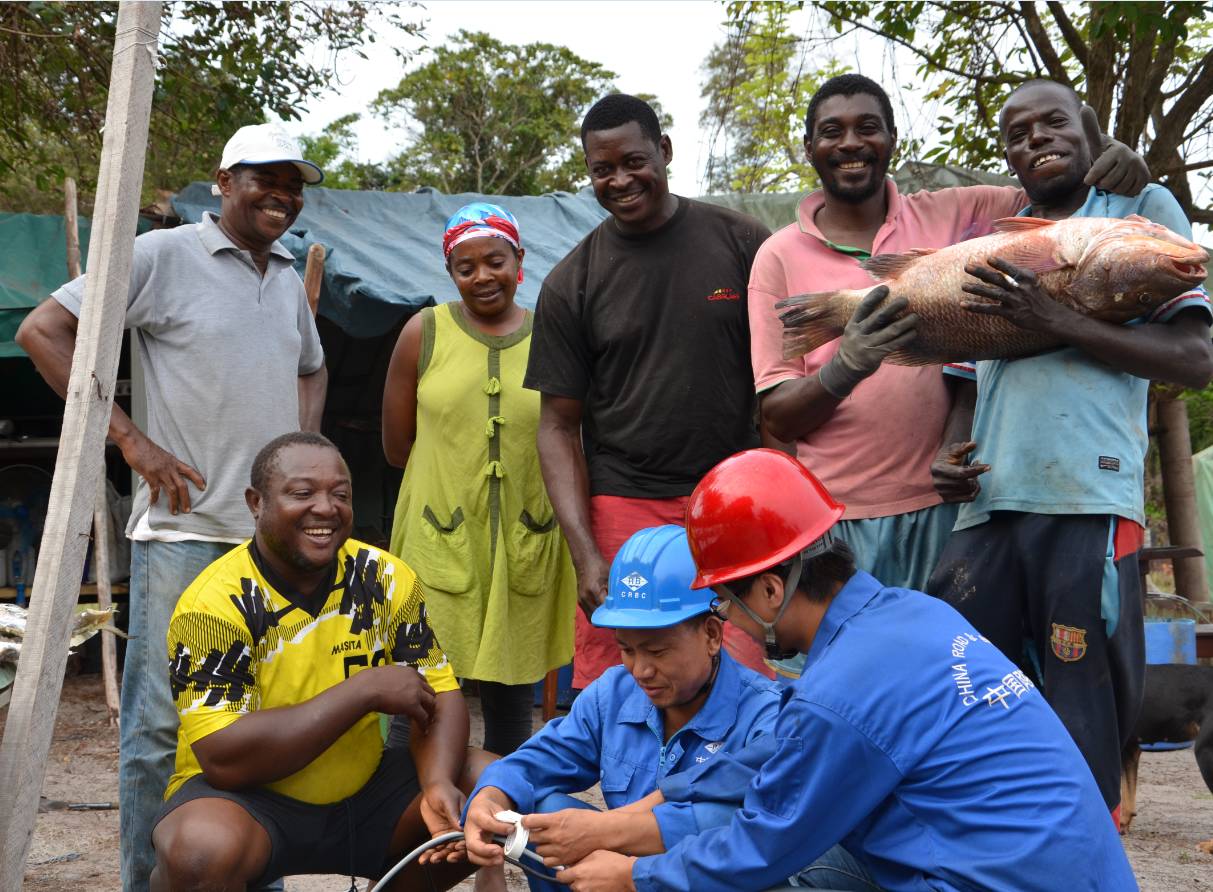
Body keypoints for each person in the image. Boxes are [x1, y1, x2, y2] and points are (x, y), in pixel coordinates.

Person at [556, 449, 1138, 892]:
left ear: (769, 588)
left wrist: (635, 876)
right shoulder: (911, 615)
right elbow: (781, 753)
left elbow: (763, 844)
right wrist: (625, 821)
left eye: (726, 604)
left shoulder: (842, 693)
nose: (730, 620)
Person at [747, 75, 1148, 678]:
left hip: (955, 514)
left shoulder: (965, 213)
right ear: (809, 147)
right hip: (837, 524)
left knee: (951, 689)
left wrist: (1113, 156)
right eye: (832, 132)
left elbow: (1056, 189)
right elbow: (775, 415)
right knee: (841, 689)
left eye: (867, 128)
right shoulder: (777, 256)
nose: (851, 143)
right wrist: (846, 366)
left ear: (892, 142)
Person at [15, 122, 329, 890]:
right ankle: (143, 881)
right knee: (159, 727)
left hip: (268, 550)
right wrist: (131, 440)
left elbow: (312, 368)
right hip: (184, 535)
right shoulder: (162, 256)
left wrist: (299, 449)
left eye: (293, 182)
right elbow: (44, 331)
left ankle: (254, 874)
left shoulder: (287, 276)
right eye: (266, 178)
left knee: (260, 729)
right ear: (223, 182)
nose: (282, 195)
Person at [928, 78, 1213, 822]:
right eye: (1017, 134)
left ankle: (1085, 851)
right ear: (1007, 158)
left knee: (1084, 699)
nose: (1035, 140)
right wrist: (949, 454)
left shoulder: (1136, 211)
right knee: (967, 689)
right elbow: (964, 383)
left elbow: (1193, 356)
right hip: (986, 508)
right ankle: (985, 848)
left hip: (1086, 498)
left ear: (1087, 131)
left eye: (1051, 122)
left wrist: (1057, 319)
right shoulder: (990, 243)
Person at [150, 432, 478, 891]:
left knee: (491, 786)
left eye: (340, 494)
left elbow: (440, 694)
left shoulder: (383, 576)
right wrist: (363, 691)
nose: (325, 508)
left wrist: (438, 781)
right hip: (250, 802)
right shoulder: (215, 604)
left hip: (367, 794)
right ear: (256, 503)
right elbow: (226, 759)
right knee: (201, 849)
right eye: (302, 494)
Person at [524, 93, 773, 689]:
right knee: (624, 674)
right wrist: (585, 552)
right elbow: (557, 426)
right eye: (601, 170)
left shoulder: (744, 243)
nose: (619, 180)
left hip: (730, 500)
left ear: (663, 151)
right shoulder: (572, 282)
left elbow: (781, 379)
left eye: (633, 161)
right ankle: (629, 785)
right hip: (625, 503)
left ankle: (728, 785)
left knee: (739, 668)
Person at [460, 525, 782, 891]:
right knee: (545, 813)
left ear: (711, 634)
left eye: (658, 651)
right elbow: (536, 762)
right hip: (615, 875)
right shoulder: (613, 694)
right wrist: (490, 798)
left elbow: (746, 835)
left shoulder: (766, 716)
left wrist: (612, 843)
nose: (641, 671)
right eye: (627, 649)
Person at [382, 202, 576, 758]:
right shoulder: (424, 333)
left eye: (495, 261)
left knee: (511, 701)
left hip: (524, 540)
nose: (482, 276)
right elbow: (397, 447)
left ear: (519, 259)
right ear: (450, 273)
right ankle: (409, 826)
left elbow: (569, 434)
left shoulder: (551, 336)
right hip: (437, 537)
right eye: (465, 267)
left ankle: (494, 829)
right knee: (421, 691)